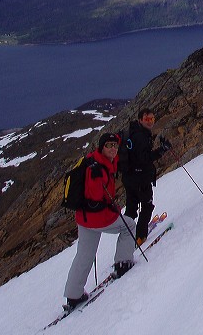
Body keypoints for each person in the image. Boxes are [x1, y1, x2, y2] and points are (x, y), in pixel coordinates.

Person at [63, 132, 136, 310]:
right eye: (108, 145)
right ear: (101, 147)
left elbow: (118, 158)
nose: (112, 149)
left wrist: (121, 139)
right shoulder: (97, 169)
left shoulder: (96, 160)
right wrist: (113, 207)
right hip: (98, 217)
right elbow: (95, 198)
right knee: (129, 226)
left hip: (83, 218)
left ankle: (73, 295)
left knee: (84, 255)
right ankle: (123, 263)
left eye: (114, 146)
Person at [118, 108, 172, 245]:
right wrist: (162, 150)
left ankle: (125, 238)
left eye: (152, 119)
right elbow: (144, 158)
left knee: (131, 208)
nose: (150, 122)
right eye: (147, 119)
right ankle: (140, 237)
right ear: (140, 120)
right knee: (146, 206)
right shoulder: (141, 136)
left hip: (129, 177)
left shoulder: (133, 132)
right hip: (140, 178)